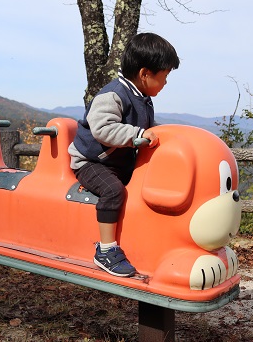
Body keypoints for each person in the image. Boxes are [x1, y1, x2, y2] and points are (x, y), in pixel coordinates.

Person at [68, 32, 180, 277]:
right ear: (144, 74)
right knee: (114, 191)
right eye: (165, 76)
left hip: (117, 160)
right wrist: (138, 134)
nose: (166, 83)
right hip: (91, 161)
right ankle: (106, 250)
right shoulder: (114, 94)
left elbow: (147, 129)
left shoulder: (143, 97)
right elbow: (102, 129)